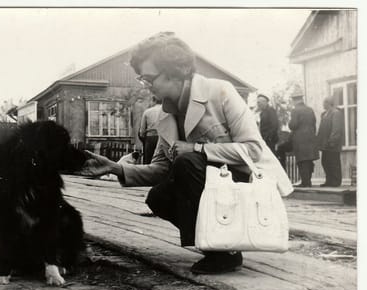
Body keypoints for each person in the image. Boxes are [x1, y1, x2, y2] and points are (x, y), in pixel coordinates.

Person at [78, 32, 293, 274]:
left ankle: (222, 252)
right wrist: (115, 167)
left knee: (188, 161)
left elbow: (253, 149)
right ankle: (221, 246)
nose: (147, 87)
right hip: (208, 186)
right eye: (142, 80)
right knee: (158, 197)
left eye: (149, 79)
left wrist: (198, 148)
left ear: (175, 72)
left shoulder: (220, 92)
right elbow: (161, 169)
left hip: (243, 185)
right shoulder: (163, 114)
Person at [288, 92, 319, 187]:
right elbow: (314, 124)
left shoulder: (295, 110)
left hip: (300, 140)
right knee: (308, 160)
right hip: (310, 138)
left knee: (302, 160)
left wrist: (290, 122)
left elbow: (293, 125)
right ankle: (308, 181)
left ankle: (305, 183)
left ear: (294, 100)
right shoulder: (310, 110)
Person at [316, 96, 344, 187]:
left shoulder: (336, 113)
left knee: (334, 162)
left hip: (333, 144)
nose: (323, 104)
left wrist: (332, 141)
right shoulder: (324, 114)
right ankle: (329, 181)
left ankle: (336, 181)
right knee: (325, 162)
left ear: (329, 103)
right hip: (325, 144)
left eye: (324, 102)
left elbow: (336, 129)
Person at [139, 96, 162, 164]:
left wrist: (143, 138)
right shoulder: (166, 111)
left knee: (148, 160)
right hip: (162, 138)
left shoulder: (147, 112)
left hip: (150, 138)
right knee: (161, 160)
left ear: (153, 101)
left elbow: (142, 131)